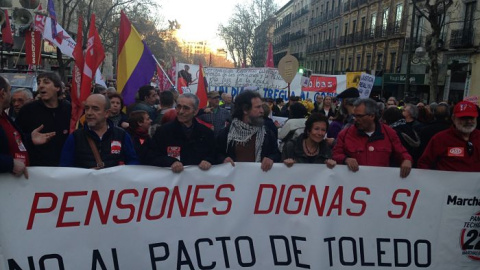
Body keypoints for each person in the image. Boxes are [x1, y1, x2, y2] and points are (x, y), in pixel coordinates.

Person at [332, 98, 413, 178]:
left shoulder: (389, 133)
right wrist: (345, 159)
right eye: (354, 116)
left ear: (372, 116)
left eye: (359, 116)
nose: (355, 119)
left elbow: (402, 152)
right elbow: (335, 154)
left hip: (381, 183)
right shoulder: (345, 134)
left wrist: (406, 160)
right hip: (353, 183)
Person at [60, 94, 139, 168]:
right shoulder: (75, 137)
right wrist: (86, 175)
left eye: (95, 109)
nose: (89, 113)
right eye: (87, 108)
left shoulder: (121, 135)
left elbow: (132, 163)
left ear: (107, 113)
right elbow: (65, 168)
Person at [0, 76, 54, 178]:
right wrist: (9, 164)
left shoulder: (4, 117)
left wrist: (29, 139)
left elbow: (13, 139)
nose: (12, 98)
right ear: (2, 93)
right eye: (9, 91)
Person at [148, 93, 216, 173]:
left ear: (195, 111)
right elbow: (152, 156)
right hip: (172, 182)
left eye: (186, 108)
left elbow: (215, 153)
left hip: (198, 181)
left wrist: (208, 160)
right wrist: (171, 162)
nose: (180, 111)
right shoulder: (163, 131)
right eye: (178, 107)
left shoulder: (206, 133)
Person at [15, 72, 71, 166]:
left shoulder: (68, 109)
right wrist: (30, 138)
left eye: (46, 82)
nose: (41, 86)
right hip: (36, 168)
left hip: (64, 168)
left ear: (57, 88)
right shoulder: (28, 110)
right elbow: (16, 137)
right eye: (39, 82)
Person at [216, 90, 281, 171]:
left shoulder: (267, 133)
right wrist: (223, 159)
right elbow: (215, 154)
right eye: (257, 107)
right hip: (233, 181)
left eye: (261, 107)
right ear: (245, 110)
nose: (262, 111)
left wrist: (271, 159)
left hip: (258, 180)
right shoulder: (226, 133)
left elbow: (276, 154)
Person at [417, 101, 480, 172]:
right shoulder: (440, 139)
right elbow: (424, 163)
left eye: (472, 118)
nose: (469, 121)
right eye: (464, 118)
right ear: (453, 118)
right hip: (445, 182)